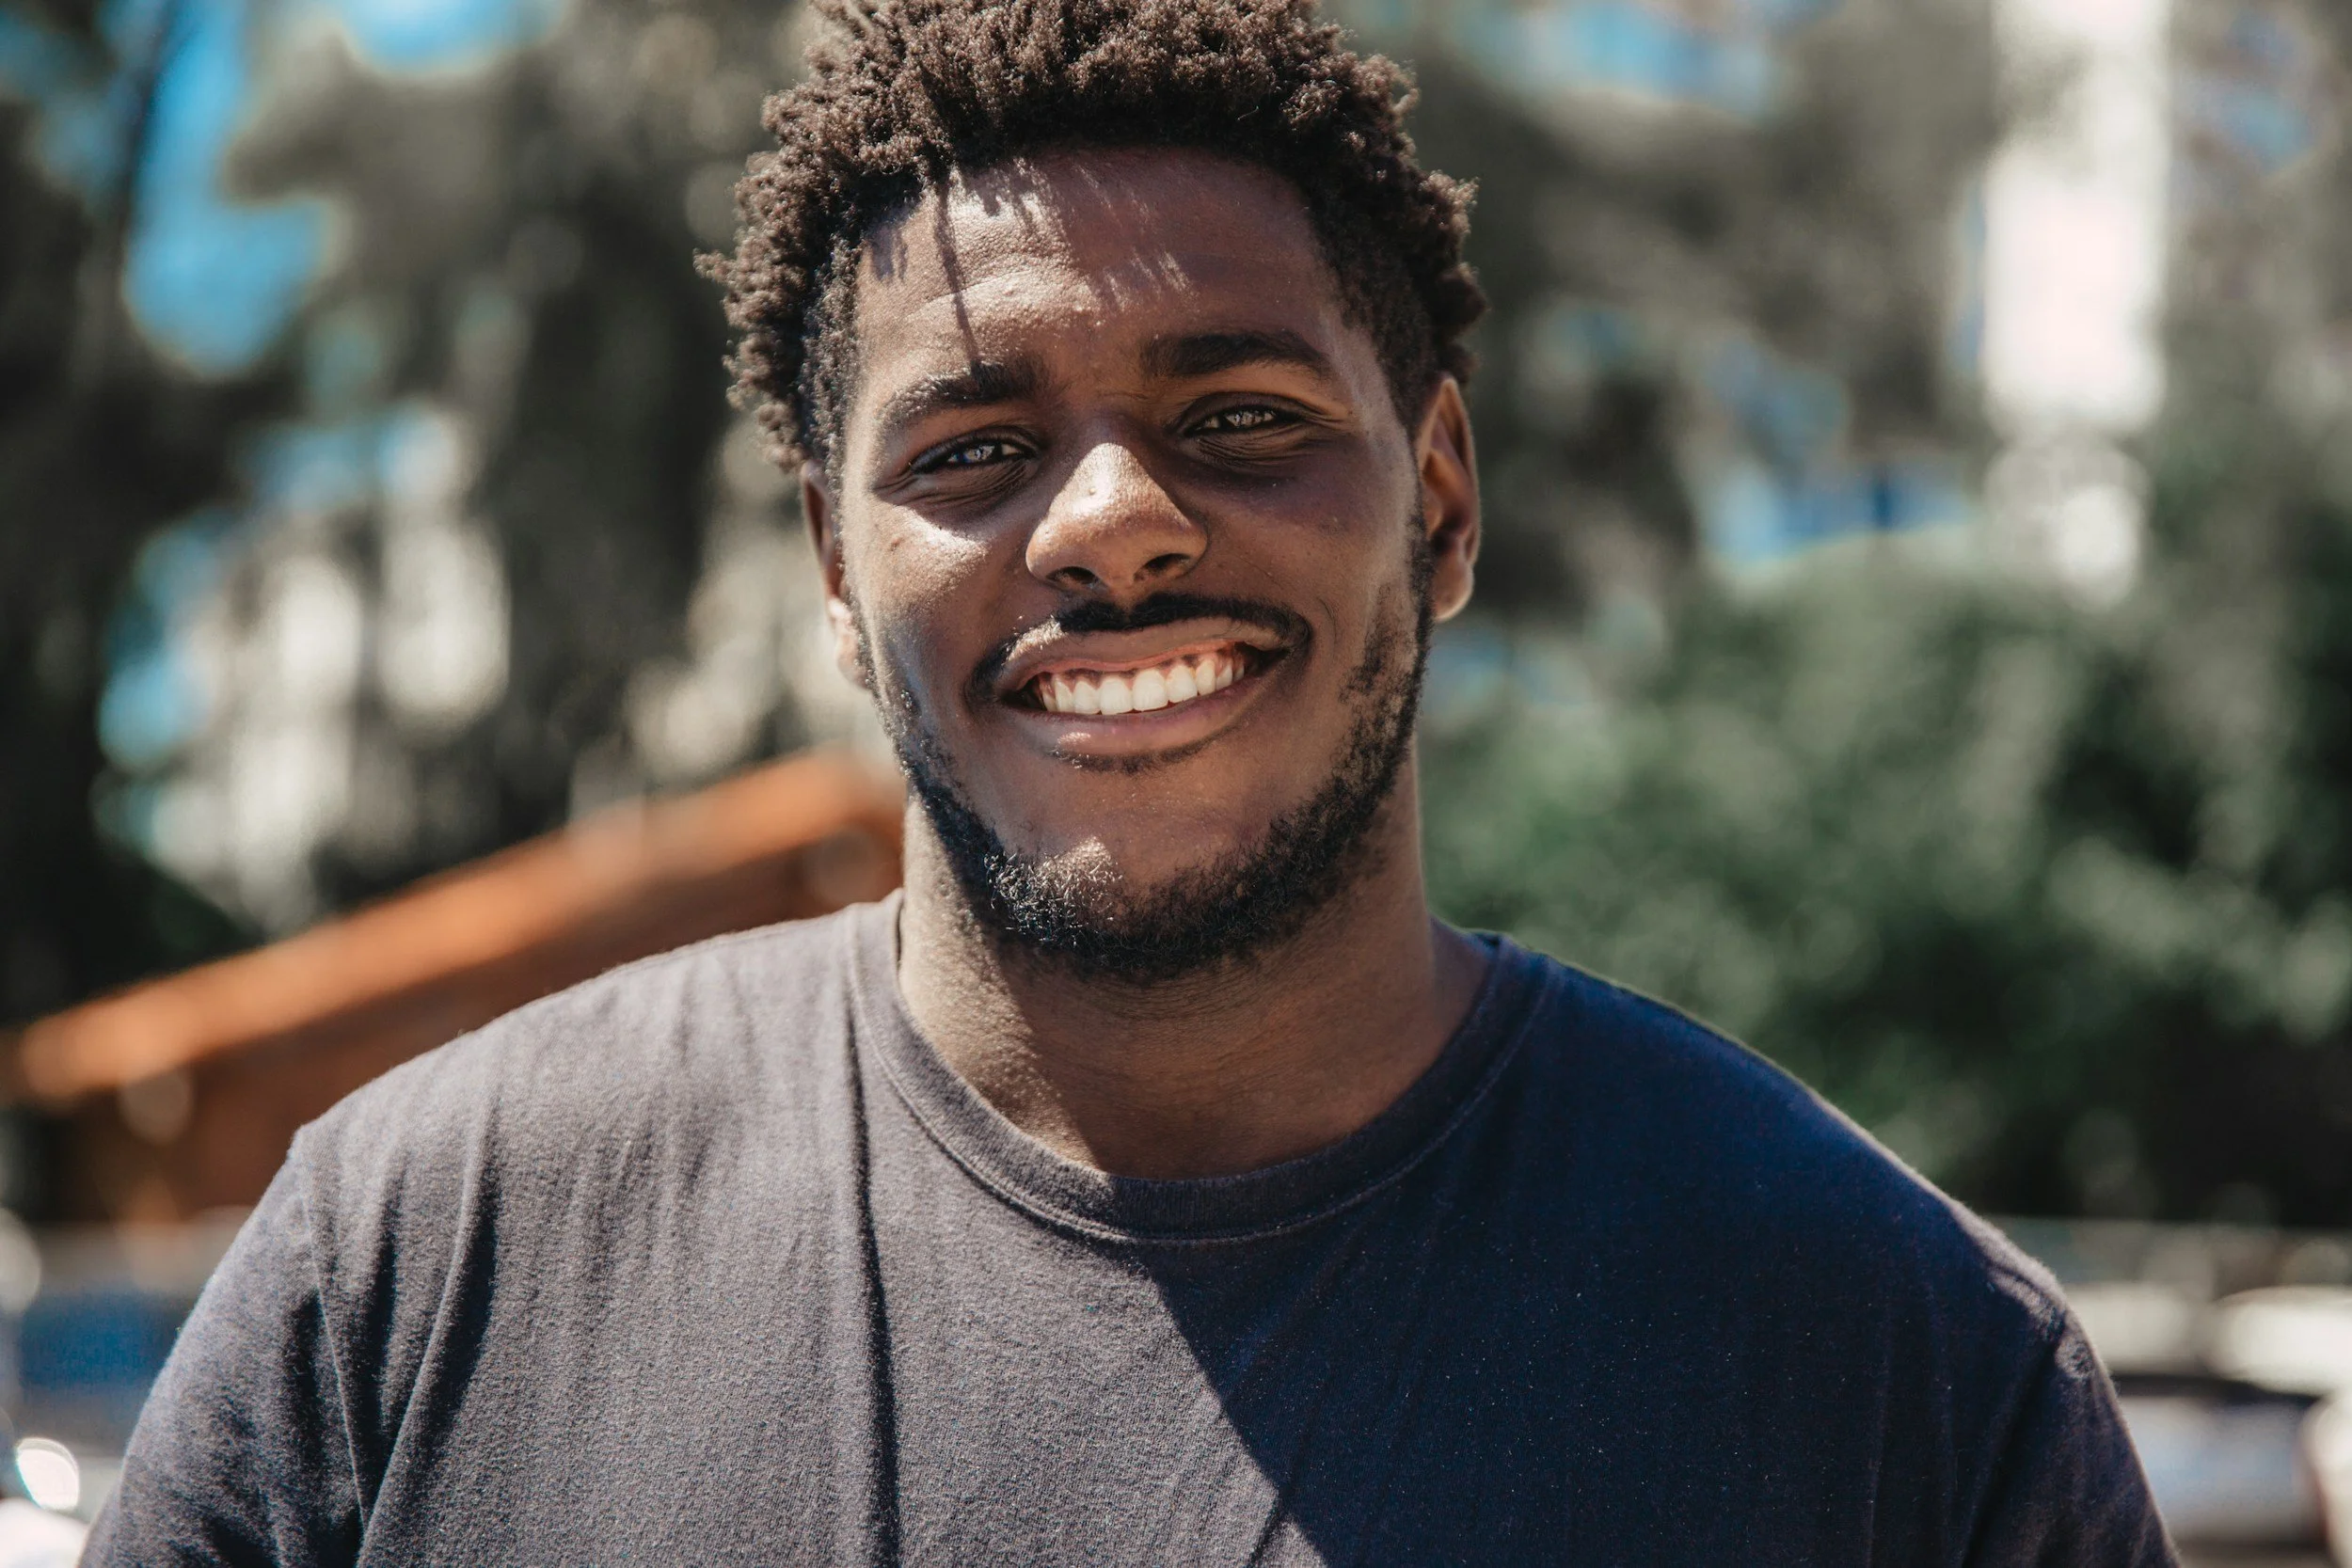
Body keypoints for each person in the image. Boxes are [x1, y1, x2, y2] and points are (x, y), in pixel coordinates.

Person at [87, 1, 2176, 1561]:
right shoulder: (423, 1254)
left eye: (1241, 415)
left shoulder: (1892, 1361)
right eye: (974, 450)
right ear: (837, 568)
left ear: (1440, 500)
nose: (1108, 524)